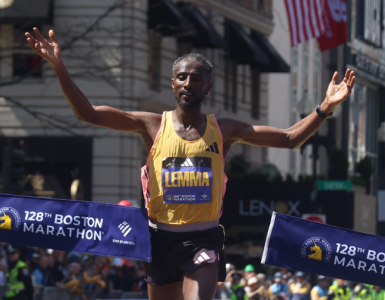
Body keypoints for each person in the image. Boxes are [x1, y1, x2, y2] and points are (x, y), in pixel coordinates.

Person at [25, 27, 355, 300]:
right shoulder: (152, 125)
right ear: (173, 83)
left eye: (196, 79)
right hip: (159, 238)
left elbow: (288, 138)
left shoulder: (224, 130)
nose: (188, 83)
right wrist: (58, 68)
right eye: (182, 77)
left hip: (204, 239)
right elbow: (88, 114)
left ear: (207, 87)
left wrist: (325, 107)